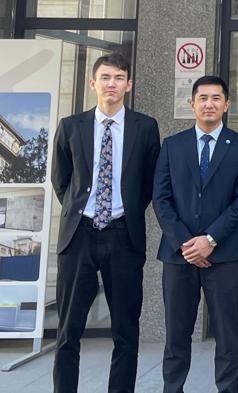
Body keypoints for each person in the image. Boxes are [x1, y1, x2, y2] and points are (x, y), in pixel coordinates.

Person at [51, 53, 161, 393]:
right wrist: (81, 211)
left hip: (123, 235)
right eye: (105, 77)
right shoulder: (71, 126)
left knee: (126, 331)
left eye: (119, 78)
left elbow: (149, 183)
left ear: (128, 85)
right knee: (68, 331)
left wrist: (124, 211)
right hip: (79, 236)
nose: (111, 84)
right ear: (92, 83)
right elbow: (61, 180)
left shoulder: (145, 127)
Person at [153, 75, 238, 393]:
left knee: (227, 334)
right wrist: (186, 244)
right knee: (176, 335)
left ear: (226, 104)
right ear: (192, 104)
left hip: (224, 255)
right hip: (178, 255)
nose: (209, 104)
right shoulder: (172, 145)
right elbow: (161, 199)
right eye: (203, 98)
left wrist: (210, 240)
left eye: (216, 98)